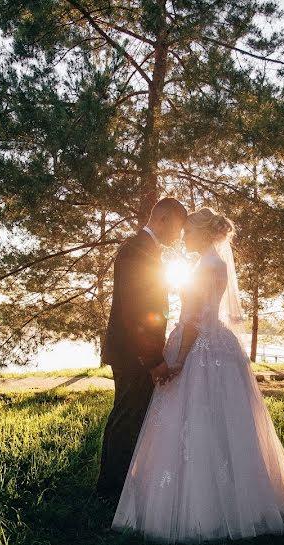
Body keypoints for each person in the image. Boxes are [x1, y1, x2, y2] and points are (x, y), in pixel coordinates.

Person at [111, 207, 284, 543]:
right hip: (219, 347)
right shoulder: (212, 264)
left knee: (195, 419)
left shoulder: (205, 266)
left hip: (197, 349)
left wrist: (180, 361)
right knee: (224, 422)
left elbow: (193, 322)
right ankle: (238, 495)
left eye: (188, 231)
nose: (183, 237)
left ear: (201, 232)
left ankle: (197, 504)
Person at [95, 197, 189, 502]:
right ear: (162, 219)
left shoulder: (145, 249)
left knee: (128, 414)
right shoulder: (137, 249)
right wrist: (152, 360)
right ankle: (112, 489)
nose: (178, 236)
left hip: (133, 349)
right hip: (131, 352)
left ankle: (116, 481)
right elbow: (136, 310)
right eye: (177, 228)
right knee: (126, 415)